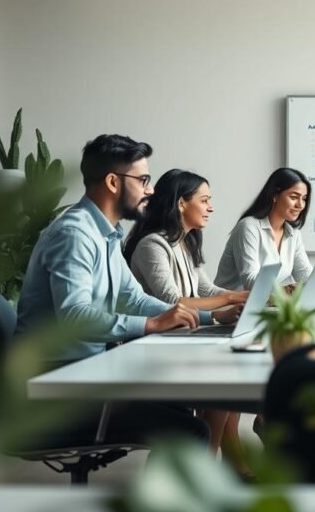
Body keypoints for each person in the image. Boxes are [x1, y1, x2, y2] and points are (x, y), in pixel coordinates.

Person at [16, 134, 214, 447]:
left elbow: (133, 298)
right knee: (191, 431)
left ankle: (157, 496)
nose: (150, 190)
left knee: (181, 407)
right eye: (144, 179)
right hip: (57, 390)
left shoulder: (105, 234)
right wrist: (151, 325)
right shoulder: (75, 234)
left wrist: (206, 318)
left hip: (86, 374)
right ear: (113, 182)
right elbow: (74, 316)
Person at [123, 168, 253, 476]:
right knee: (225, 386)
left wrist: (247, 296)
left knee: (229, 384)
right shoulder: (152, 245)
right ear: (182, 203)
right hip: (152, 348)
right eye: (205, 200)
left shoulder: (186, 242)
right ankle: (205, 472)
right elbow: (173, 300)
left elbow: (206, 290)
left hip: (180, 339)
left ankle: (217, 466)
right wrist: (231, 301)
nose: (211, 208)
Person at [215, 167, 313, 291]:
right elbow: (250, 281)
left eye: (304, 198)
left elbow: (304, 274)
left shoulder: (293, 234)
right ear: (274, 195)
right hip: (230, 305)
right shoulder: (249, 227)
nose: (300, 205)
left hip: (267, 304)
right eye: (294, 197)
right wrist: (285, 290)